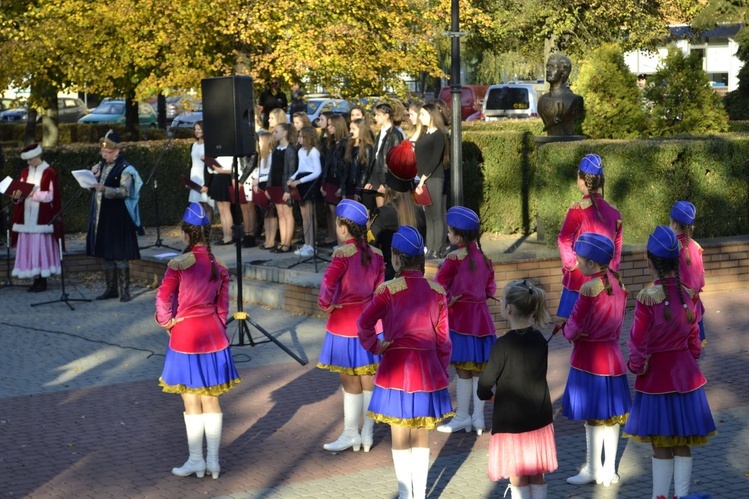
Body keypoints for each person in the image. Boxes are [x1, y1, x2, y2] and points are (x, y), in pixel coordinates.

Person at [358, 225, 453, 499]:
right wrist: (440, 368)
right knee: (421, 434)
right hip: (427, 370)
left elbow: (364, 322)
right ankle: (420, 495)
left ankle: (405, 493)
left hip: (395, 370)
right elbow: (444, 340)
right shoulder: (437, 290)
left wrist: (376, 345)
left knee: (399, 434)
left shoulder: (387, 290)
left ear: (397, 259)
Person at [623, 225, 716, 499]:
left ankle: (660, 496)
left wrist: (637, 367)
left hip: (655, 380)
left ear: (649, 262)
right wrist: (689, 357)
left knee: (661, 442)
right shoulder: (688, 294)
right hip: (687, 379)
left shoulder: (647, 299)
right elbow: (695, 341)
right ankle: (682, 496)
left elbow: (637, 341)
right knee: (682, 440)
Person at [155, 203, 240, 480]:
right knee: (211, 401)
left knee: (192, 403)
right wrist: (217, 325)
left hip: (186, 338)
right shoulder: (219, 266)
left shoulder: (179, 264)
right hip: (215, 337)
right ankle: (213, 462)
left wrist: (166, 322)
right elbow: (223, 307)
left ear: (185, 234)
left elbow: (162, 298)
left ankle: (196, 460)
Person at [559, 233, 631, 488]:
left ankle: (592, 467)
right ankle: (608, 470)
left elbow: (575, 324)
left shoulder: (589, 288)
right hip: (613, 359)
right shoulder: (618, 283)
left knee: (592, 416)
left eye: (578, 258)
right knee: (611, 416)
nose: (576, 262)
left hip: (589, 359)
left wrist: (567, 330)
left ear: (591, 263)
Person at [477, 279, 558, 499]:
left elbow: (485, 381)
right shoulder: (539, 339)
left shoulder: (502, 345)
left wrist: (486, 395)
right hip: (539, 416)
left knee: (518, 474)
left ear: (508, 309)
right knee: (536, 472)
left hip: (511, 420)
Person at [318, 199, 385, 453]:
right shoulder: (377, 254)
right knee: (368, 379)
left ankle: (350, 434)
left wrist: (327, 305)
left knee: (350, 383)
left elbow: (327, 285)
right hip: (369, 323)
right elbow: (380, 291)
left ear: (343, 228)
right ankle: (366, 435)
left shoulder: (341, 254)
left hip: (344, 324)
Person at [435, 207, 496, 436]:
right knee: (479, 369)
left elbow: (439, 285)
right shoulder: (484, 258)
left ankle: (462, 417)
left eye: (450, 232)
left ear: (458, 237)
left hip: (461, 320)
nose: (448, 236)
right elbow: (490, 288)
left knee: (463, 370)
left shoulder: (453, 258)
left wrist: (451, 299)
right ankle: (478, 418)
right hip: (482, 321)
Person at [557, 153, 622, 319]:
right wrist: (611, 271)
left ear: (581, 180)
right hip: (604, 278)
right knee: (601, 325)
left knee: (576, 328)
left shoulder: (577, 209)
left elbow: (564, 239)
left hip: (580, 277)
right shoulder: (614, 212)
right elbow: (617, 248)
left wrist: (574, 264)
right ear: (600, 181)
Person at [86, 130, 142, 302]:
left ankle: (124, 290)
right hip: (101, 215)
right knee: (106, 253)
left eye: (107, 153)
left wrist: (105, 190)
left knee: (119, 254)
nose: (104, 156)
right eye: (102, 153)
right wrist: (90, 178)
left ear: (116, 151)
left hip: (118, 217)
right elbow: (94, 187)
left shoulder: (125, 169)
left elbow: (125, 191)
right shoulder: (101, 166)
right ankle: (111, 289)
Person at [368, 140, 426, 280]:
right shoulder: (420, 212)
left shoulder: (382, 214)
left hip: (388, 282)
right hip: (415, 280)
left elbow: (369, 249)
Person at [9, 144, 62, 292]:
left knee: (40, 248)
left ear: (37, 157)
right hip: (25, 217)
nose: (28, 163)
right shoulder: (25, 172)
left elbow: (51, 196)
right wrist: (16, 196)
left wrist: (33, 194)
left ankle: (42, 279)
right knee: (29, 248)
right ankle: (35, 278)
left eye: (30, 160)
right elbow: (19, 192)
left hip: (42, 218)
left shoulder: (49, 172)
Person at [669, 200, 707, 346]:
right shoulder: (696, 246)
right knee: (694, 352)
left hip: (679, 308)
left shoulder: (672, 248)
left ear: (675, 225)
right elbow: (701, 280)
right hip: (695, 308)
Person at [415, 102, 449, 259]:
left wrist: (422, 179)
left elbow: (435, 160)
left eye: (423, 114)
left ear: (432, 115)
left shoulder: (439, 135)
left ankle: (438, 248)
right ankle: (430, 248)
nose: (420, 117)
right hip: (424, 179)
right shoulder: (426, 134)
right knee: (428, 215)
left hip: (434, 178)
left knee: (436, 214)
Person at [288, 126, 322, 257]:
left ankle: (312, 245)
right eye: (299, 136)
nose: (299, 139)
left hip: (309, 183)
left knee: (310, 215)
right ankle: (307, 243)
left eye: (302, 136)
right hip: (300, 181)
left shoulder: (314, 151)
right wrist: (292, 177)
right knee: (304, 216)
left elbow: (317, 171)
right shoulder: (300, 151)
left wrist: (300, 181)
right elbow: (300, 168)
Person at [537, 53, 584, 136]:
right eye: (547, 66)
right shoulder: (541, 100)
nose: (548, 70)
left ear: (564, 72)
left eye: (552, 67)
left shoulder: (573, 99)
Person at [267, 123, 297, 253]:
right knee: (280, 213)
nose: (274, 134)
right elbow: (271, 169)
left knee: (287, 213)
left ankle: (287, 242)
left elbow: (291, 170)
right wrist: (268, 187)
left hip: (284, 185)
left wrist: (287, 190)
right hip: (275, 184)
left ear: (284, 133)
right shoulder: (275, 149)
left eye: (276, 132)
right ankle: (283, 241)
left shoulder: (290, 150)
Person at [320, 114, 348, 246]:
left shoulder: (345, 144)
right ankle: (337, 241)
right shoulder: (330, 143)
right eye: (328, 125)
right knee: (332, 213)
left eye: (331, 125)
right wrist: (322, 183)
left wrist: (341, 186)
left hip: (338, 182)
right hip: (329, 180)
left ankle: (342, 243)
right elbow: (326, 164)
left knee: (340, 215)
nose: (328, 127)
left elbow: (345, 167)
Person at [369, 102, 404, 209]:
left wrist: (385, 182)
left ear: (386, 115)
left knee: (389, 209)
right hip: (377, 173)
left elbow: (396, 161)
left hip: (386, 176)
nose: (375, 117)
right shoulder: (381, 132)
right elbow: (377, 155)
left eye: (378, 115)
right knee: (380, 210)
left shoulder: (395, 134)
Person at [251, 130, 276, 249]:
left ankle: (272, 240)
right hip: (260, 184)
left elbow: (271, 173)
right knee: (265, 214)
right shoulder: (262, 156)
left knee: (271, 213)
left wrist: (259, 180)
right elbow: (258, 170)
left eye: (260, 141)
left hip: (267, 184)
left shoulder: (272, 156)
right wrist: (256, 181)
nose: (259, 143)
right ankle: (267, 239)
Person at [186, 121, 214, 222]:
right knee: (198, 204)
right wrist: (189, 181)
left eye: (199, 129)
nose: (197, 131)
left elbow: (210, 165)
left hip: (204, 176)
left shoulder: (208, 145)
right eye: (195, 130)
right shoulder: (193, 145)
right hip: (195, 176)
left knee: (207, 204)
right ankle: (200, 229)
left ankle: (208, 230)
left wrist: (207, 184)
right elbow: (191, 163)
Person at [205, 155, 234, 245]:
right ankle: (225, 236)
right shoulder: (215, 153)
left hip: (225, 178)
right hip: (216, 178)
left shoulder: (230, 153)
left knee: (226, 208)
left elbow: (233, 169)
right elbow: (210, 170)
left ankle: (229, 236)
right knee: (221, 210)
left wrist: (221, 170)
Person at [344, 118, 374, 201]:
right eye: (350, 128)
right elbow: (347, 168)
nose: (350, 131)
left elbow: (366, 170)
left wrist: (358, 188)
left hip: (359, 186)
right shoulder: (350, 145)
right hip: (349, 185)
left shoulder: (367, 147)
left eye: (353, 129)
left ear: (361, 130)